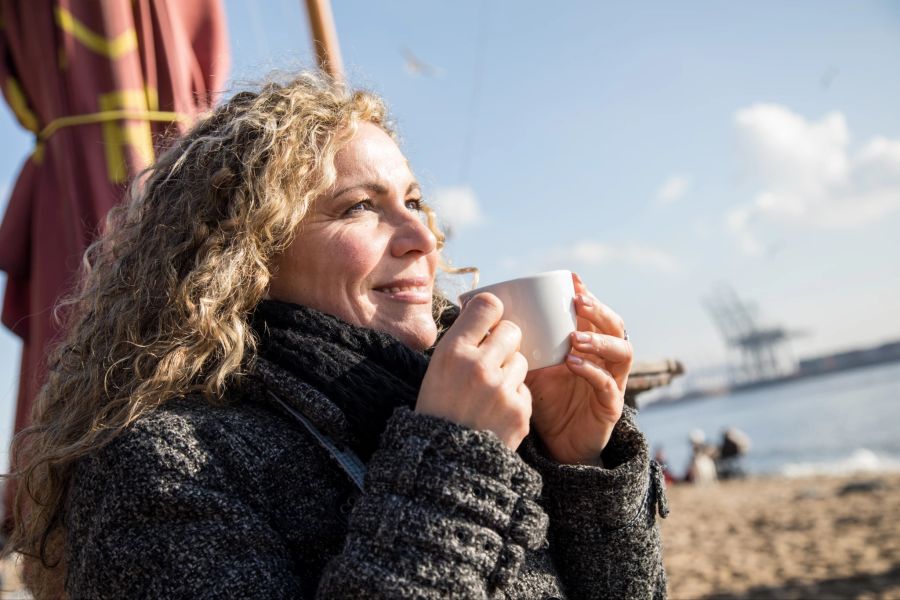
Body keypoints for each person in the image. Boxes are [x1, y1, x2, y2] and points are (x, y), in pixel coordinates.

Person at [4, 73, 668, 599]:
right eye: (360, 207)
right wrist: (454, 458)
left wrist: (581, 467)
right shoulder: (160, 464)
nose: (423, 238)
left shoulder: (463, 408)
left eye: (412, 202)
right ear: (248, 254)